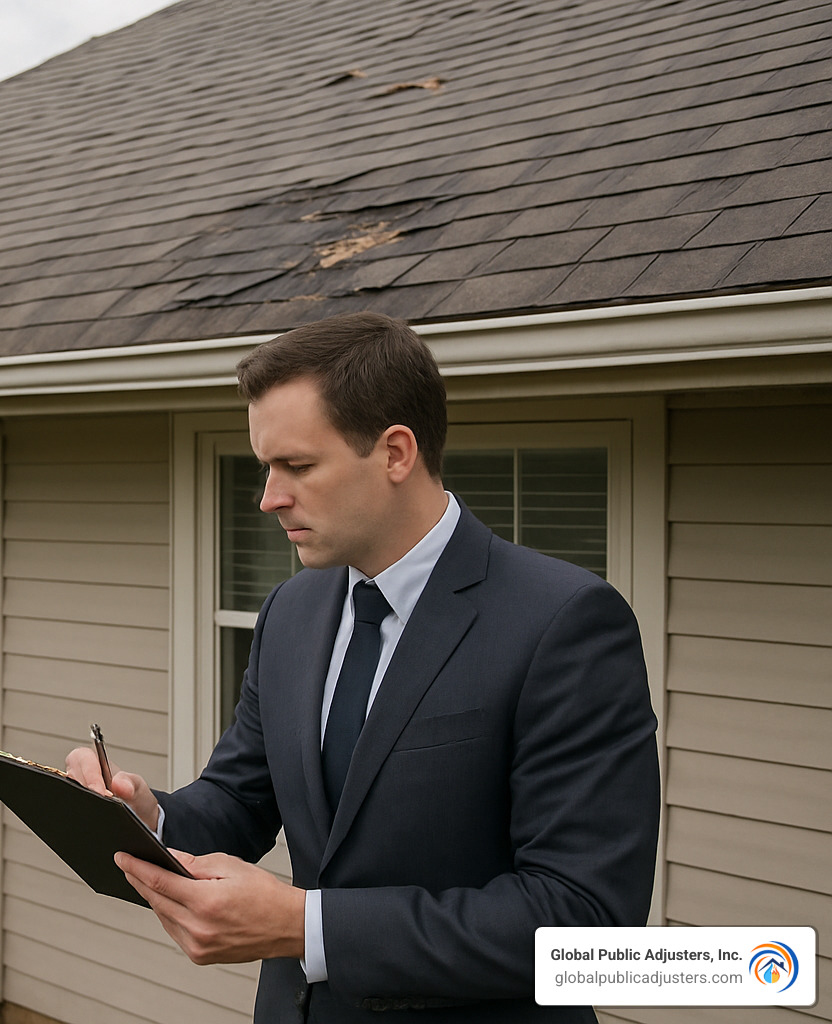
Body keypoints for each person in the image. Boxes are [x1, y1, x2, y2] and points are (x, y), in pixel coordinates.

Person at [65, 312, 660, 1022]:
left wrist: (305, 926)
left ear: (396, 453)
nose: (268, 498)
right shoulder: (290, 611)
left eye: (298, 466)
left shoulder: (563, 624)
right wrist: (150, 817)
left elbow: (584, 921)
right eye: (265, 468)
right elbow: (241, 799)